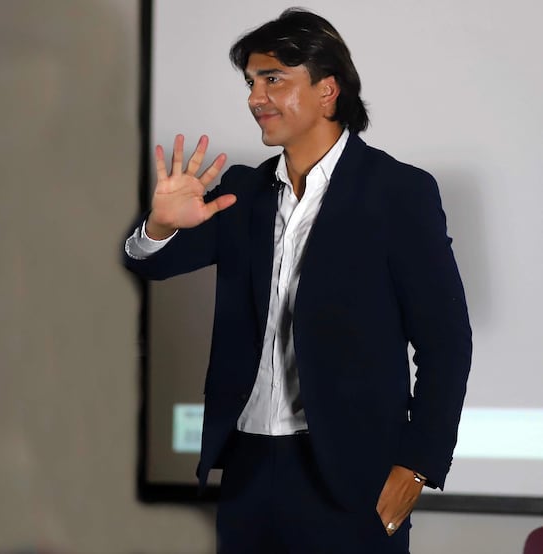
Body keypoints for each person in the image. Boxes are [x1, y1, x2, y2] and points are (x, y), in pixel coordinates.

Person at [123, 7, 471, 553]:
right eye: (251, 82)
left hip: (352, 476)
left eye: (273, 80)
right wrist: (160, 226)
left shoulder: (398, 193)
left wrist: (418, 466)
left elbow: (446, 343)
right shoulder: (242, 193)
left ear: (327, 90)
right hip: (248, 469)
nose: (255, 98)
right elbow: (151, 263)